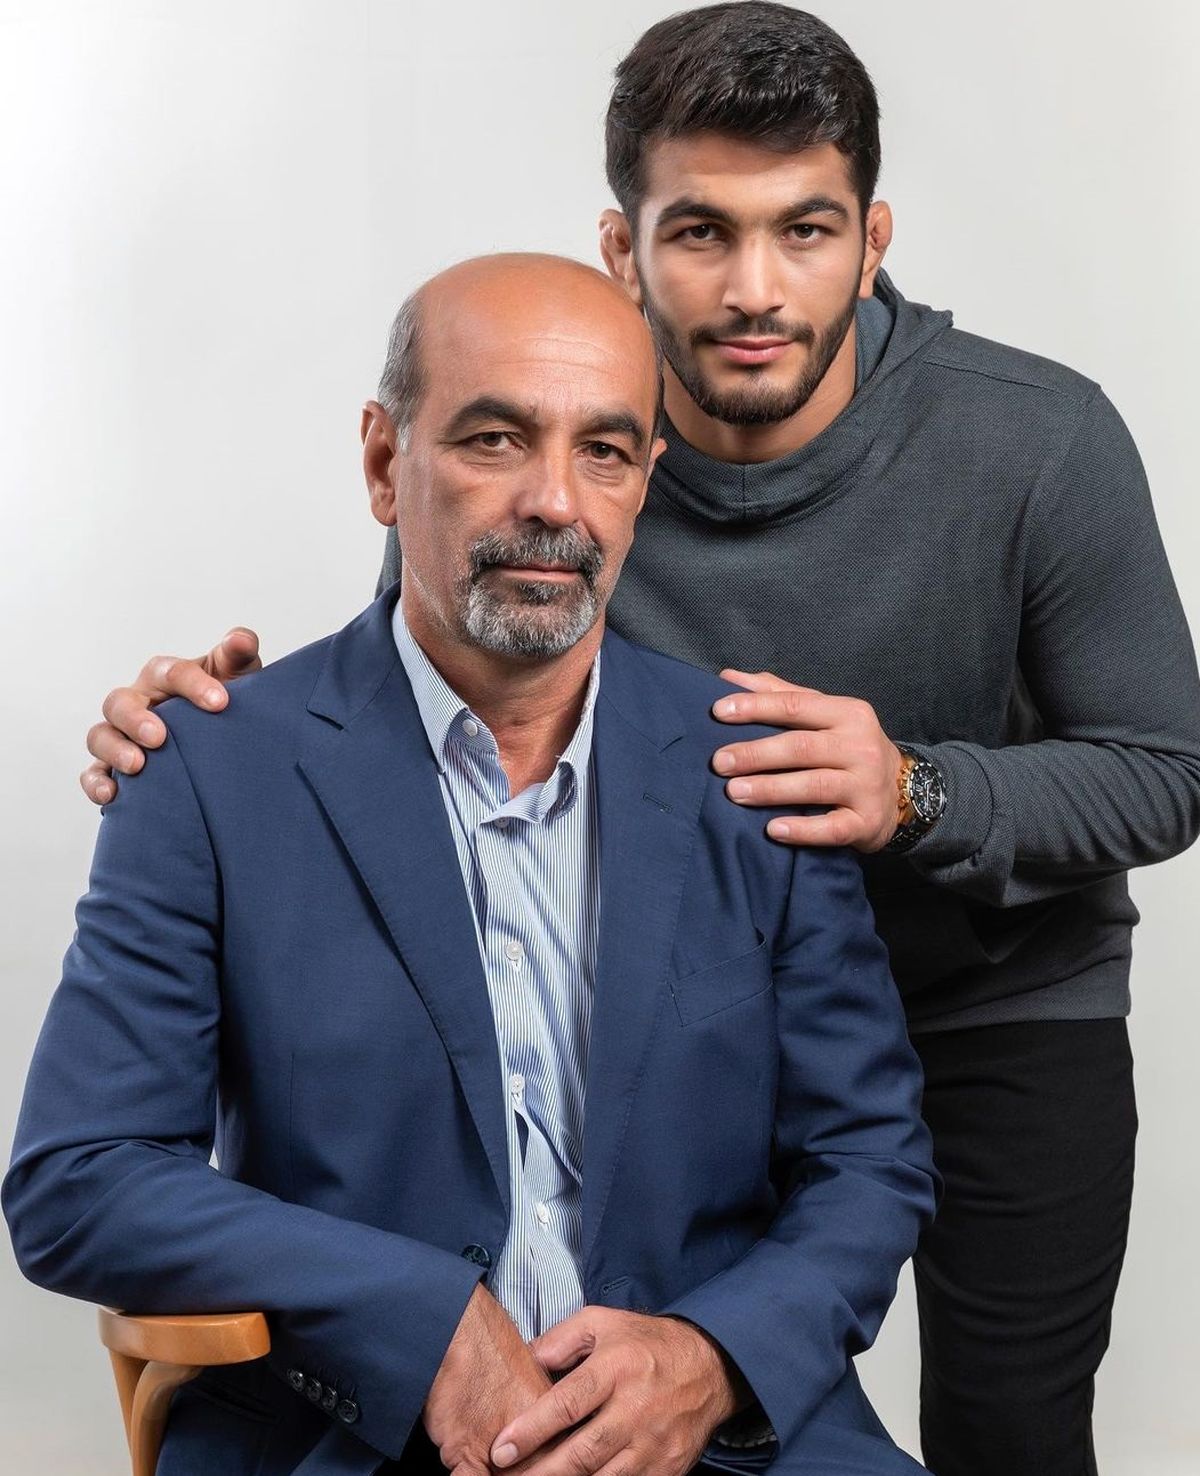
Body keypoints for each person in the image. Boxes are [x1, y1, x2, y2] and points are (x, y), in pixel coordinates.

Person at [77, 7, 1200, 1474]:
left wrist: (915, 791)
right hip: (676, 1010)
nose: (754, 289)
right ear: (625, 247)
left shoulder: (1038, 440)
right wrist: (214, 731)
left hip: (995, 997)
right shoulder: (553, 418)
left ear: (873, 241)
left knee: (1012, 1430)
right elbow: (425, 665)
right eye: (700, 233)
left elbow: (1167, 767)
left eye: (805, 231)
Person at [5, 254, 936, 1476]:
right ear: (384, 464)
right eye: (496, 439)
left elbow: (870, 1160)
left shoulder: (755, 770)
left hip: (712, 1441)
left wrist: (710, 1360)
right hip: (351, 1436)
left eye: (605, 451)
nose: (555, 501)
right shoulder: (209, 772)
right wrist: (416, 1322)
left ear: (645, 484)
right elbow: (82, 1176)